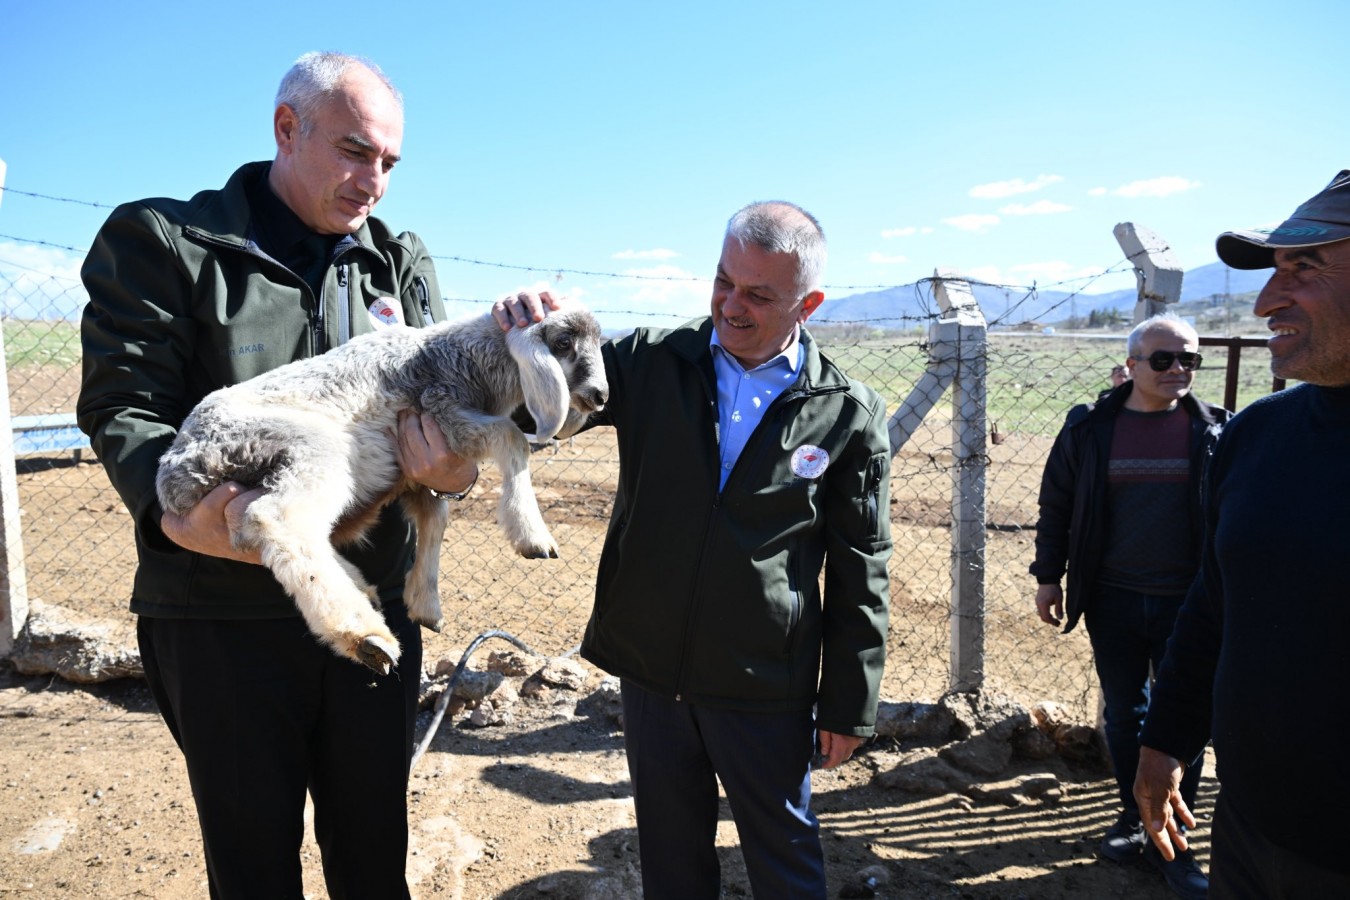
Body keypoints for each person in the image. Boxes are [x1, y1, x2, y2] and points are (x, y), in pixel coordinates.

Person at [76, 52, 479, 899]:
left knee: (374, 855)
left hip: (367, 608)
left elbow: (447, 419)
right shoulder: (169, 243)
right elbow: (125, 407)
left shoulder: (399, 265)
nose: (373, 182)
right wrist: (176, 515)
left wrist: (454, 473)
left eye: (389, 162)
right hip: (223, 613)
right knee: (253, 863)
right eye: (354, 151)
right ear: (286, 128)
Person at [494, 201, 893, 899]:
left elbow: (863, 564)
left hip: (763, 681)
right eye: (723, 282)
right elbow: (534, 418)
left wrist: (848, 703)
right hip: (653, 673)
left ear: (809, 304)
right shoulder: (650, 362)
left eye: (759, 294)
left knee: (785, 858)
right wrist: (528, 339)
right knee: (671, 860)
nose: (732, 306)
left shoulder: (845, 412)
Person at [1135, 170, 1350, 896]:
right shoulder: (1259, 435)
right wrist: (1166, 739)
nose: (1266, 301)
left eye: (1305, 268)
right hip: (1249, 832)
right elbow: (1216, 600)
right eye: (1274, 270)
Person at [1030, 313, 1229, 898]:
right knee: (1124, 714)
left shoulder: (1218, 431)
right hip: (1112, 599)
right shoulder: (1090, 429)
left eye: (1189, 359)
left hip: (1190, 605)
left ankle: (1174, 839)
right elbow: (1056, 505)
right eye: (1164, 359)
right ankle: (1133, 815)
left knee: (1185, 718)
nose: (1178, 369)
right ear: (1133, 365)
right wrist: (1049, 577)